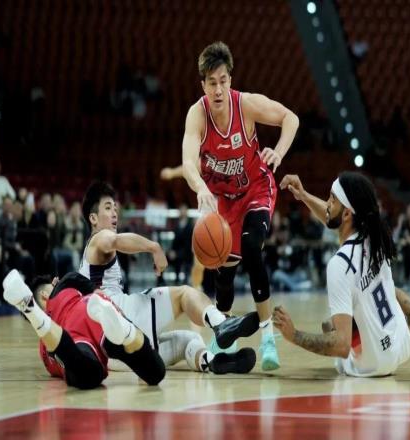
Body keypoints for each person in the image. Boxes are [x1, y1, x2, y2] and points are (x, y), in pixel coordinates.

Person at [181, 41, 299, 370]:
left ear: (230, 80)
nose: (218, 89)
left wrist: (278, 152)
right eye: (212, 83)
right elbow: (188, 162)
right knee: (223, 274)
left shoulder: (245, 105)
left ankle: (267, 336)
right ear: (203, 85)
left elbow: (290, 118)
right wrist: (201, 188)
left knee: (251, 247)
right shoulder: (197, 115)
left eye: (223, 81)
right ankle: (225, 335)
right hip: (224, 201)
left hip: (256, 189)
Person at [273, 173, 410, 377]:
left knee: (330, 325)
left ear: (347, 214)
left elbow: (342, 345)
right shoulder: (374, 236)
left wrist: (294, 335)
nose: (327, 203)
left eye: (332, 198)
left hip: (371, 366)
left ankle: (354, 359)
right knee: (391, 291)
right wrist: (304, 196)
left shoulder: (340, 264)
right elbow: (331, 216)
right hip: (401, 343)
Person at [79, 181, 257, 374]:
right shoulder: (99, 238)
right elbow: (115, 240)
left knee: (189, 340)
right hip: (120, 317)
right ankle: (221, 324)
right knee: (184, 294)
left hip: (117, 354)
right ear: (93, 218)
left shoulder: (86, 259)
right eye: (108, 208)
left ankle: (212, 362)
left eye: (115, 208)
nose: (114, 212)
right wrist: (154, 247)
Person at [2, 269, 166, 389]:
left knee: (87, 374)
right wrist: (95, 292)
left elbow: (61, 370)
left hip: (68, 338)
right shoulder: (64, 284)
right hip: (92, 309)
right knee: (156, 374)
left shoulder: (43, 349)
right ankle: (127, 332)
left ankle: (31, 311)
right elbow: (86, 284)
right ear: (45, 295)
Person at [160, 165, 205, 290]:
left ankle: (199, 286)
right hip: (181, 252)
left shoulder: (190, 225)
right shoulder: (177, 224)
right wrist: (172, 172)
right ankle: (196, 286)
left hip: (186, 253)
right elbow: (192, 166)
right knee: (197, 262)